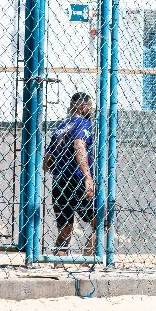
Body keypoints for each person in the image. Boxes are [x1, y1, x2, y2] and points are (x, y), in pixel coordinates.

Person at [45, 92, 96, 254]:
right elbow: (79, 145)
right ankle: (86, 260)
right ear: (83, 107)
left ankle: (59, 262)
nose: (92, 111)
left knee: (65, 230)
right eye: (91, 107)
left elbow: (47, 160)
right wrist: (87, 178)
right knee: (103, 222)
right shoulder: (84, 123)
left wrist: (60, 167)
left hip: (59, 182)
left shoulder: (61, 127)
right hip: (77, 180)